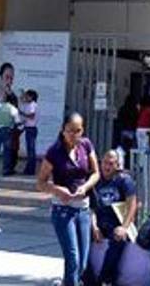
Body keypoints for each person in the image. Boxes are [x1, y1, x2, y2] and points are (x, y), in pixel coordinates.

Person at [37, 111, 99, 286]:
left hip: (83, 209)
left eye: (78, 131)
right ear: (63, 130)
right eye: (70, 130)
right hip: (63, 210)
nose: (74, 135)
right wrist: (57, 189)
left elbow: (96, 173)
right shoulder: (54, 152)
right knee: (73, 259)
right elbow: (40, 182)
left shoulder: (86, 145)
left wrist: (85, 187)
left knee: (82, 263)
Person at [89, 148, 137, 286]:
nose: (107, 166)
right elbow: (91, 208)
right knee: (80, 237)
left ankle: (105, 279)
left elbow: (132, 205)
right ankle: (87, 279)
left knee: (119, 239)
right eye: (105, 163)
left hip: (116, 222)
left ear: (117, 165)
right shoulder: (96, 180)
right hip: (100, 221)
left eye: (111, 164)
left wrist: (124, 227)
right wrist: (94, 227)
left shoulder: (124, 180)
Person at [20, 89, 39, 176]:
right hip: (28, 128)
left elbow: (31, 116)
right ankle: (28, 169)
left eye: (27, 96)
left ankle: (31, 170)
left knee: (31, 150)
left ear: (31, 97)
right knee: (30, 150)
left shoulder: (33, 105)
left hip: (31, 128)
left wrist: (22, 113)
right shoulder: (28, 105)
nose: (26, 97)